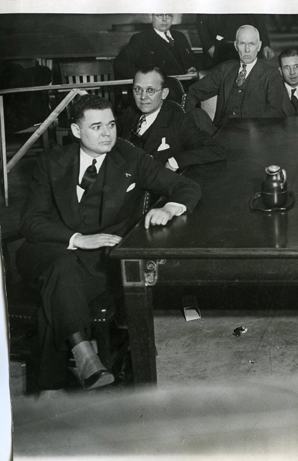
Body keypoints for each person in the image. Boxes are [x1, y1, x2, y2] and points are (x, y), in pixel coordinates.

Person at [17, 94, 201, 391]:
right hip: (44, 251)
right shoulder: (51, 162)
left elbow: (185, 185)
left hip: (96, 263)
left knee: (58, 290)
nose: (108, 133)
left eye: (112, 124)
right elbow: (30, 221)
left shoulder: (130, 158)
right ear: (77, 131)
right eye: (97, 126)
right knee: (61, 265)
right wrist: (77, 239)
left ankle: (65, 375)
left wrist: (169, 207)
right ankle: (85, 357)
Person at [118, 66, 225, 172]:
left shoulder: (179, 122)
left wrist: (176, 162)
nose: (143, 96)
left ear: (164, 93)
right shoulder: (129, 114)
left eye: (150, 90)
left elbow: (215, 149)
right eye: (138, 89)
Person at [183, 25, 285, 127]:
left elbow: (274, 111)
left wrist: (254, 128)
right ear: (236, 46)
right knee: (197, 115)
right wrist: (189, 122)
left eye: (252, 44)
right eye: (242, 43)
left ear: (259, 46)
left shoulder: (272, 75)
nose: (247, 49)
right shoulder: (225, 69)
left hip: (252, 134)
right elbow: (194, 91)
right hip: (220, 132)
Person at [113, 14, 196, 83]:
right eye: (160, 15)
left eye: (168, 15)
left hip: (186, 88)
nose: (164, 19)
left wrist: (194, 69)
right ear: (151, 16)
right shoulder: (140, 39)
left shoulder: (180, 36)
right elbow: (120, 64)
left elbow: (192, 61)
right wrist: (146, 77)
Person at [196, 14, 274, 68]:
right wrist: (209, 47)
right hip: (221, 47)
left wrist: (265, 44)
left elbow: (257, 18)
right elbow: (202, 22)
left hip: (246, 45)